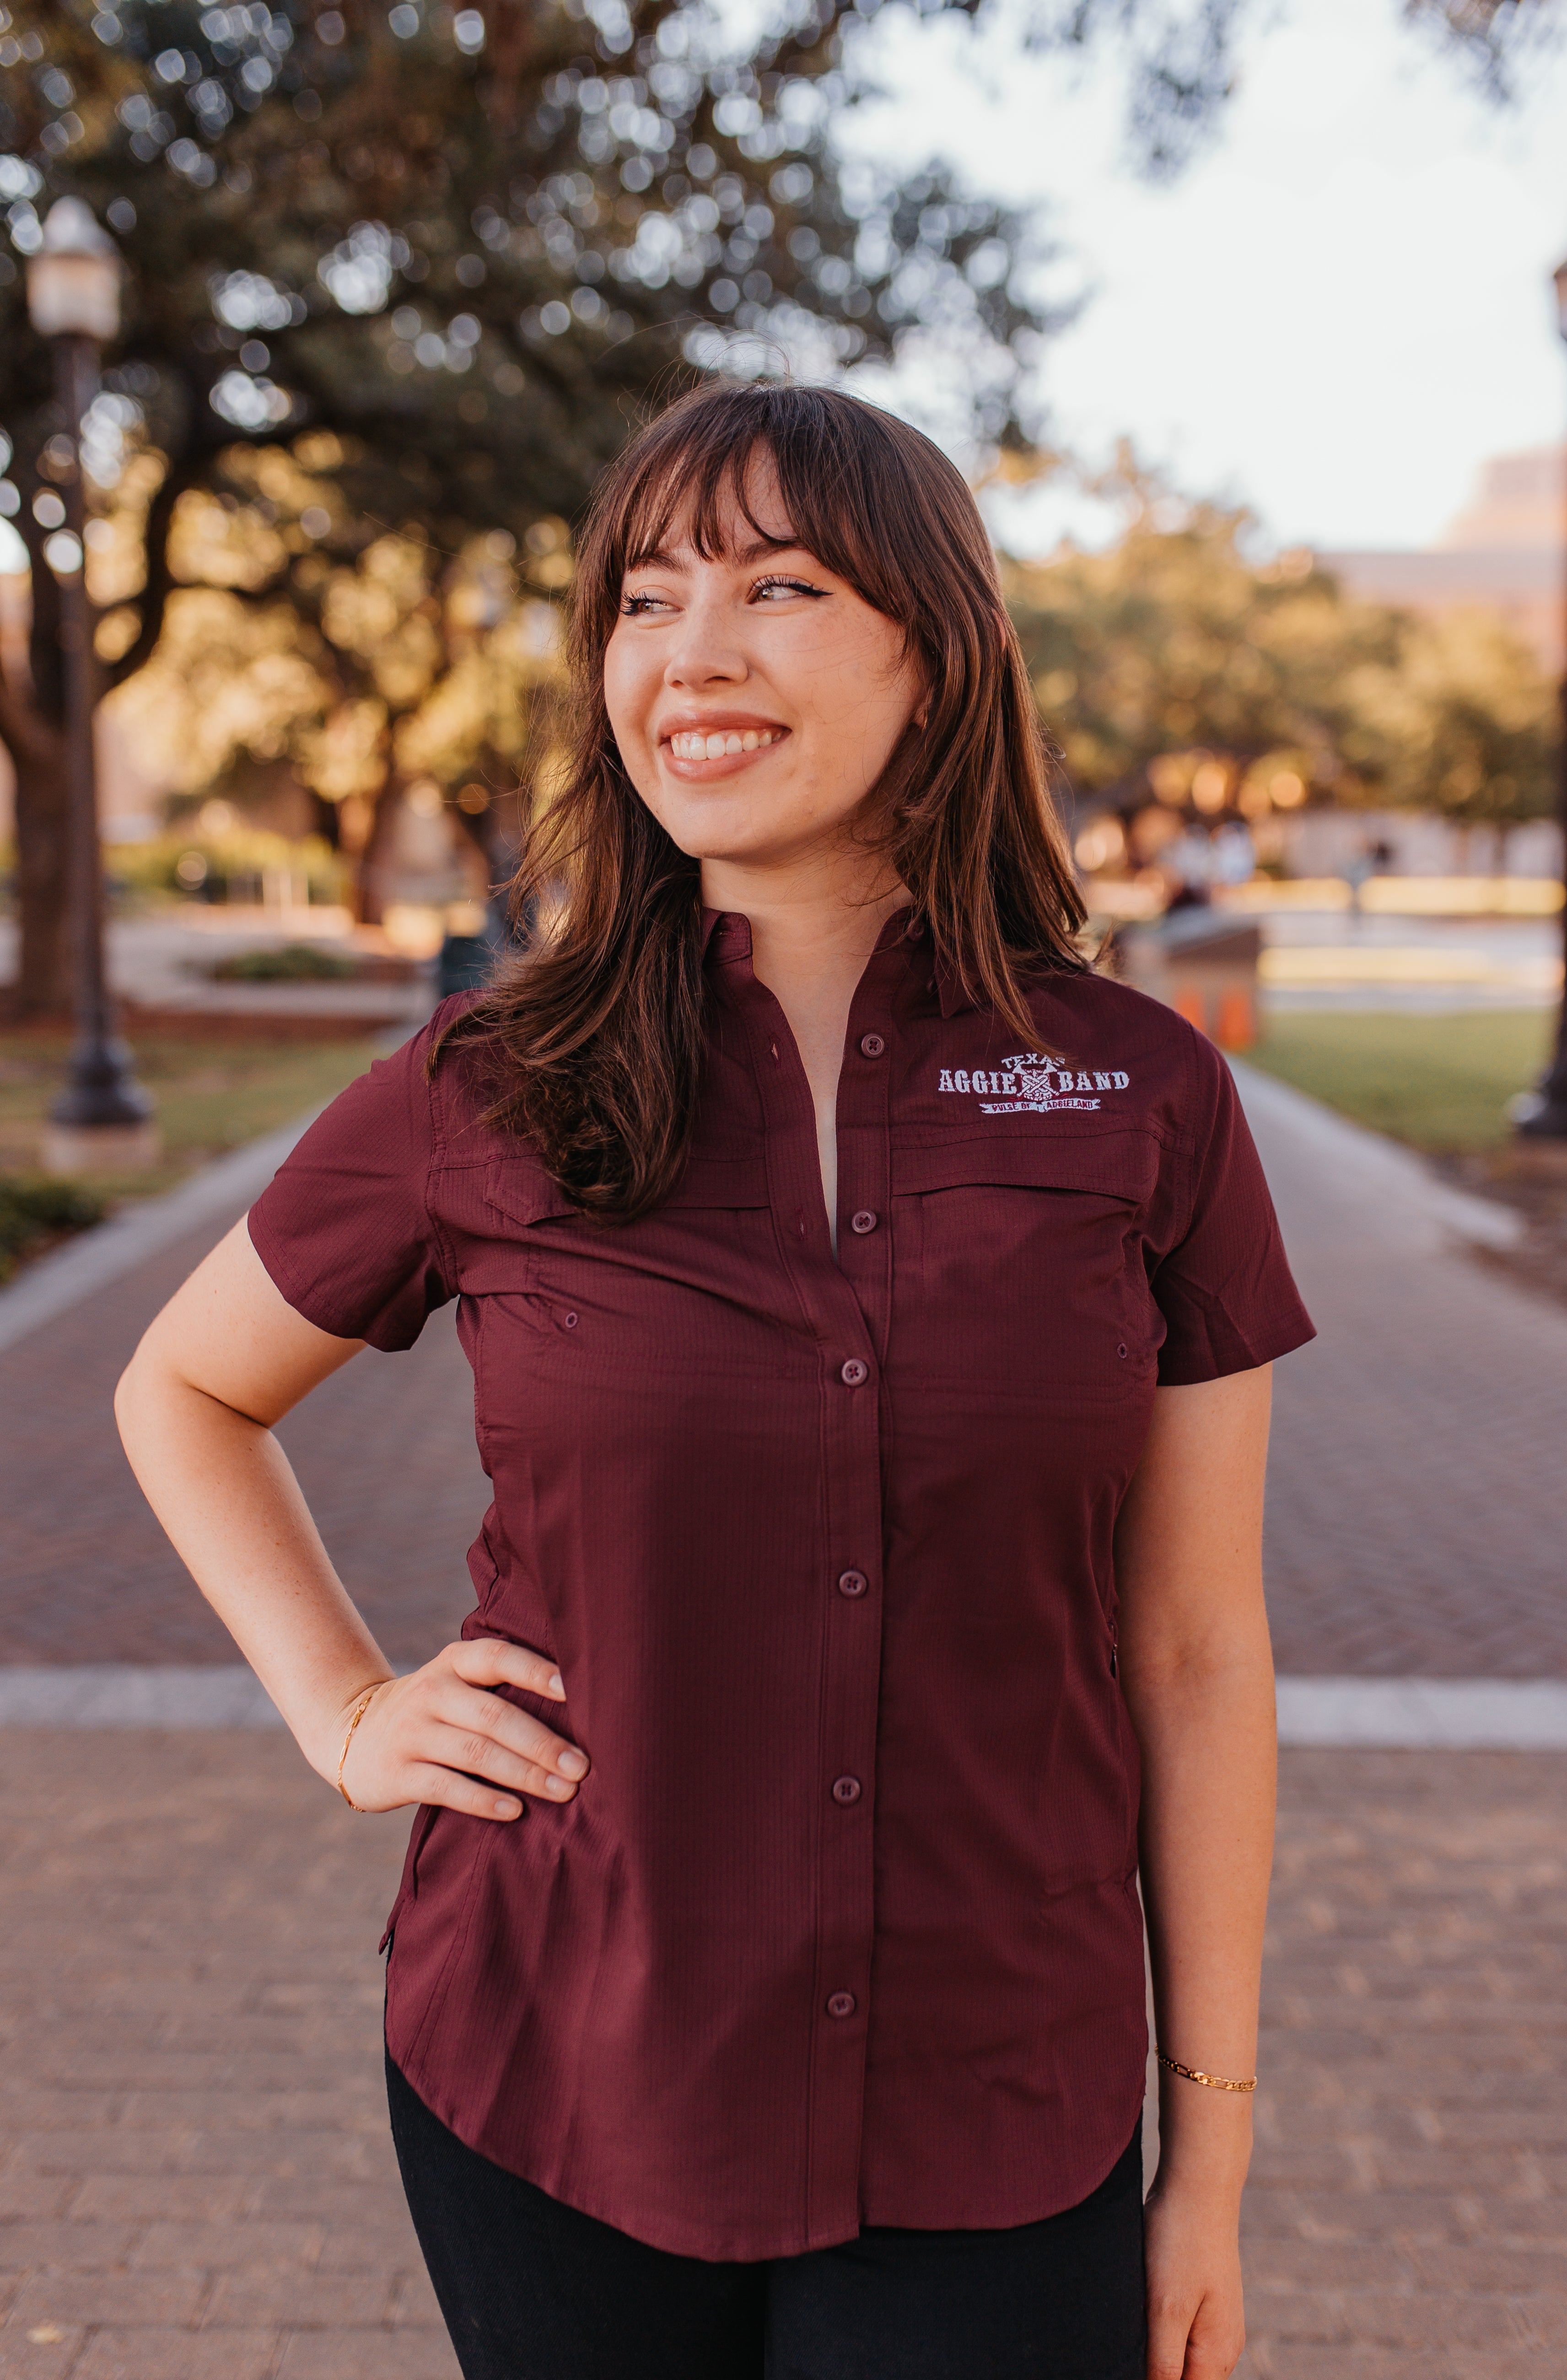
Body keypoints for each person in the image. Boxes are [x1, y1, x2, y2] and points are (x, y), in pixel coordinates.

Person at [116, 380, 1314, 2380]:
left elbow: (1194, 1648)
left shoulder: (1142, 1090)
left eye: (778, 586)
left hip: (1001, 2095)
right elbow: (183, 1389)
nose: (696, 652)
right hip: (562, 2065)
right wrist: (342, 1708)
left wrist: (1212, 2156)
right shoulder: (488, 1085)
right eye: (646, 597)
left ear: (938, 656)